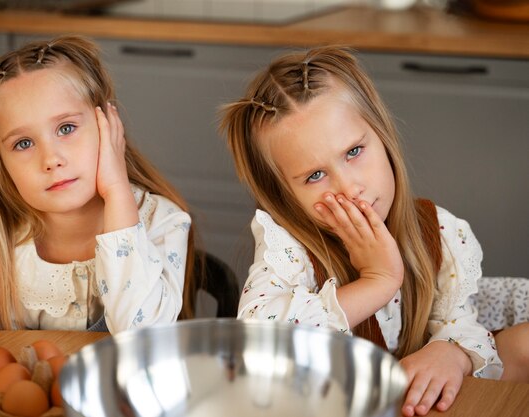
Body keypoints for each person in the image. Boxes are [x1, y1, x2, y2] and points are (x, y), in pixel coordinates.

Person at [220, 46, 529, 416]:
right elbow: (260, 346)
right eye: (315, 176)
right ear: (285, 195)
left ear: (381, 135)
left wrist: (451, 352)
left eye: (353, 152)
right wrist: (377, 281)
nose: (350, 189)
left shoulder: (439, 231)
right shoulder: (289, 250)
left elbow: (459, 320)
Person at [0, 35, 198, 334]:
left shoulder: (161, 222)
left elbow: (142, 334)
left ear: (109, 125)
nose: (51, 159)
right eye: (23, 143)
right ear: (0, 165)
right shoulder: (0, 256)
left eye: (66, 128)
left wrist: (116, 190)